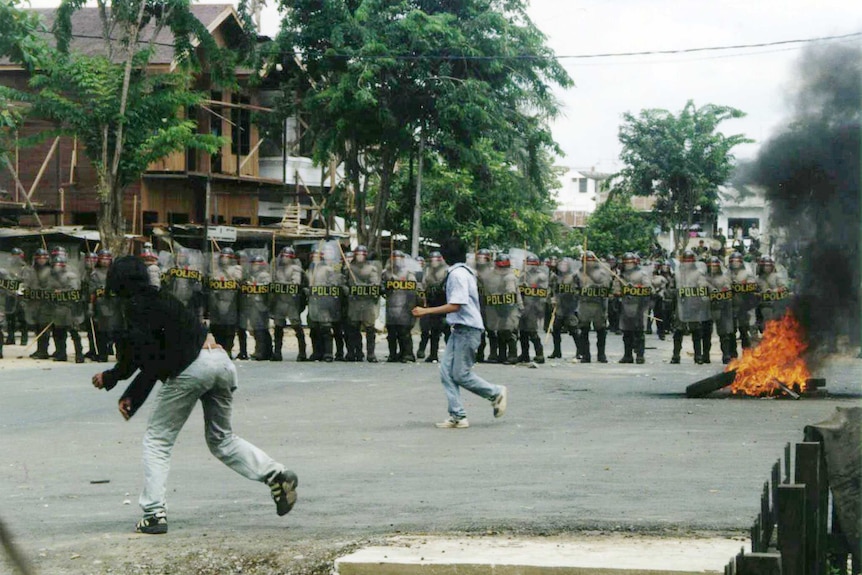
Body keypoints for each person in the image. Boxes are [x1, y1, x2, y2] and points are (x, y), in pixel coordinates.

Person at [90, 255, 297, 534]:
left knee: (157, 441)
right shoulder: (166, 299)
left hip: (192, 368)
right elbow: (155, 358)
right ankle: (276, 474)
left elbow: (142, 355)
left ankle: (153, 514)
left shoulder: (136, 306)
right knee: (222, 439)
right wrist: (131, 392)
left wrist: (114, 378)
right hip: (221, 361)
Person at [412, 238, 507, 429]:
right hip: (459, 329)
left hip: (468, 329)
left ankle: (495, 392)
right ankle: (457, 415)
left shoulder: (458, 275)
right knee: (446, 372)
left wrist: (426, 311)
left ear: (445, 256)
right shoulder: (461, 272)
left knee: (460, 374)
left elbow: (456, 305)